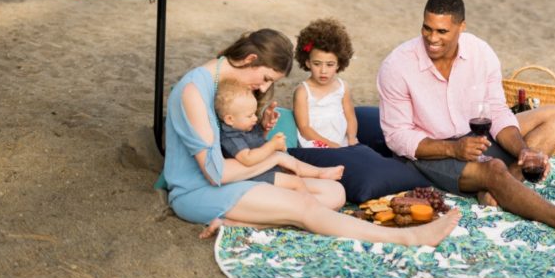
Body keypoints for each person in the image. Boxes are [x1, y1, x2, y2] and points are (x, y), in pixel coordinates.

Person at [163, 28, 461, 245]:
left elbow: (231, 143)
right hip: (200, 190)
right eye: (265, 78)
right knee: (305, 206)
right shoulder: (194, 91)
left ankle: (237, 222)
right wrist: (276, 156)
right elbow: (215, 173)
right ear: (249, 59)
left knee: (335, 193)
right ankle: (407, 238)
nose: (262, 88)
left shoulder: (223, 83)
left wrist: (260, 133)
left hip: (240, 177)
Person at [377, 0, 555, 238]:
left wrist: (522, 150)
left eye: (442, 31)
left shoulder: (481, 52)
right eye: (427, 29)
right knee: (494, 168)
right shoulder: (397, 66)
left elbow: (498, 111)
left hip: (476, 136)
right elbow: (397, 137)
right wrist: (453, 150)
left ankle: (497, 188)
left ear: (461, 27)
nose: (432, 38)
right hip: (429, 152)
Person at [216, 80, 345, 195]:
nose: (255, 118)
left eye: (254, 114)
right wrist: (272, 145)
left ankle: (319, 173)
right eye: (249, 116)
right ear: (229, 119)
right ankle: (309, 206)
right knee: (295, 183)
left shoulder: (243, 125)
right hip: (255, 177)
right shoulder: (230, 136)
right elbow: (248, 159)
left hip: (267, 167)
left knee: (291, 162)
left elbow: (257, 139)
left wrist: (265, 128)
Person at [293, 18, 359, 148]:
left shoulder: (342, 87)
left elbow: (350, 116)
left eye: (330, 65)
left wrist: (352, 138)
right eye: (317, 64)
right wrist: (331, 145)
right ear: (307, 63)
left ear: (339, 64)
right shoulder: (303, 91)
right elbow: (304, 128)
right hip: (315, 143)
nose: (323, 71)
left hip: (342, 140)